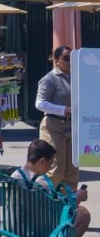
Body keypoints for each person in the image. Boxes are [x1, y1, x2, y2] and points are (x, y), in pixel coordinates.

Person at [12, 139, 91, 237]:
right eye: (50, 163)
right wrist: (77, 197)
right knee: (83, 214)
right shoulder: (40, 183)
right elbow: (58, 211)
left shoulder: (15, 176)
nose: (50, 167)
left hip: (15, 233)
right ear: (42, 161)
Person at [36, 45, 77, 189]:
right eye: (66, 58)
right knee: (55, 171)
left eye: (72, 58)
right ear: (56, 60)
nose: (70, 61)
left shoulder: (76, 78)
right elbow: (40, 103)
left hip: (72, 127)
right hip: (53, 126)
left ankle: (69, 208)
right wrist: (64, 110)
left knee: (72, 172)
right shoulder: (49, 79)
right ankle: (48, 206)